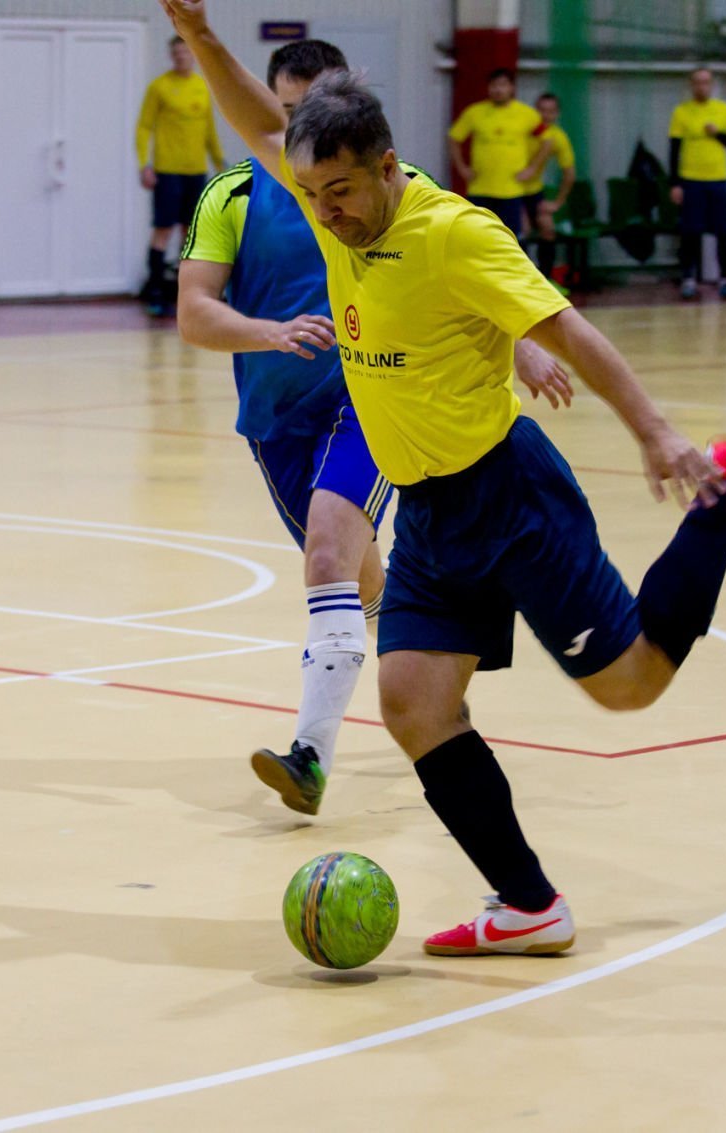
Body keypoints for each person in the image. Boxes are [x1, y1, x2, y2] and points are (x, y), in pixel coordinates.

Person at [163, 0, 726, 957]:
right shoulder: (330, 202)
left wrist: (657, 434)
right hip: (429, 509)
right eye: (312, 193)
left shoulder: (454, 232)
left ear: (388, 166)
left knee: (629, 687)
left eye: (338, 192)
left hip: (508, 496)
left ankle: (723, 494)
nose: (323, 212)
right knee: (413, 704)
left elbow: (570, 331)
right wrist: (204, 35)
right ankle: (530, 904)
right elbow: (261, 124)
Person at [176, 39, 576, 817]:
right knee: (358, 579)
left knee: (328, 551)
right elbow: (194, 314)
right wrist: (269, 332)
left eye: (315, 110)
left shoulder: (393, 188)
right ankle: (433, 675)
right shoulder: (233, 195)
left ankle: (309, 758)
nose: (304, 128)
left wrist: (523, 342)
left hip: (369, 397)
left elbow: (468, 269)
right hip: (275, 420)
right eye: (286, 112)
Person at [136, 35, 226, 314]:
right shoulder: (159, 87)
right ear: (171, 55)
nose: (181, 57)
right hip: (167, 171)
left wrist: (221, 166)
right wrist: (144, 164)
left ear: (192, 54)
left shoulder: (202, 87)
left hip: (195, 171)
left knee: (191, 234)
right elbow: (144, 127)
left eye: (185, 52)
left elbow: (210, 131)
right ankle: (155, 293)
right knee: (163, 230)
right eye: (176, 53)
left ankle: (185, 294)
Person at [448, 68, 550, 236]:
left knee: (510, 238)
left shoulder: (526, 114)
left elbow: (546, 140)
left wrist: (532, 168)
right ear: (488, 88)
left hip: (511, 189)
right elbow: (454, 138)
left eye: (503, 85)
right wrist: (461, 168)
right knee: (477, 236)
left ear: (511, 88)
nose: (498, 90)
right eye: (494, 85)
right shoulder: (475, 112)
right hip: (480, 188)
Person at [668, 67, 726, 301]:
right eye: (697, 82)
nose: (702, 86)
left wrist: (717, 133)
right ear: (691, 85)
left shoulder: (723, 109)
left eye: (706, 82)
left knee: (722, 232)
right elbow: (674, 149)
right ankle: (689, 279)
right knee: (690, 232)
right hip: (691, 180)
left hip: (718, 179)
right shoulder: (681, 111)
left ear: (712, 85)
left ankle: (725, 279)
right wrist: (675, 184)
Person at [523, 92, 577, 282]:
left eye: (551, 111)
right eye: (541, 110)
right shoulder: (523, 130)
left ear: (557, 113)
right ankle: (522, 282)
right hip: (511, 190)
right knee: (521, 231)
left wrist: (557, 203)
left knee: (548, 228)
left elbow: (569, 174)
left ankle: (547, 281)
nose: (545, 115)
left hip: (534, 190)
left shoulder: (558, 137)